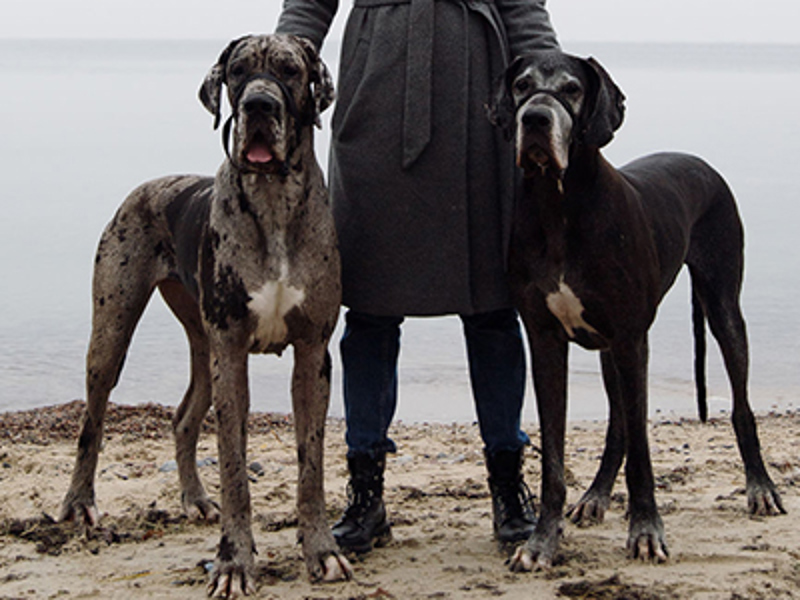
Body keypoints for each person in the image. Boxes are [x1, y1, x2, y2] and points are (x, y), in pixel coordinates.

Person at [275, 0, 559, 553]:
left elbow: (523, 7)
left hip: (480, 102)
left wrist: (549, 79)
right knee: (370, 313)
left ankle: (508, 487)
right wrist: (279, 68)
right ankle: (366, 497)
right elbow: (308, 4)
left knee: (494, 313)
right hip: (374, 97)